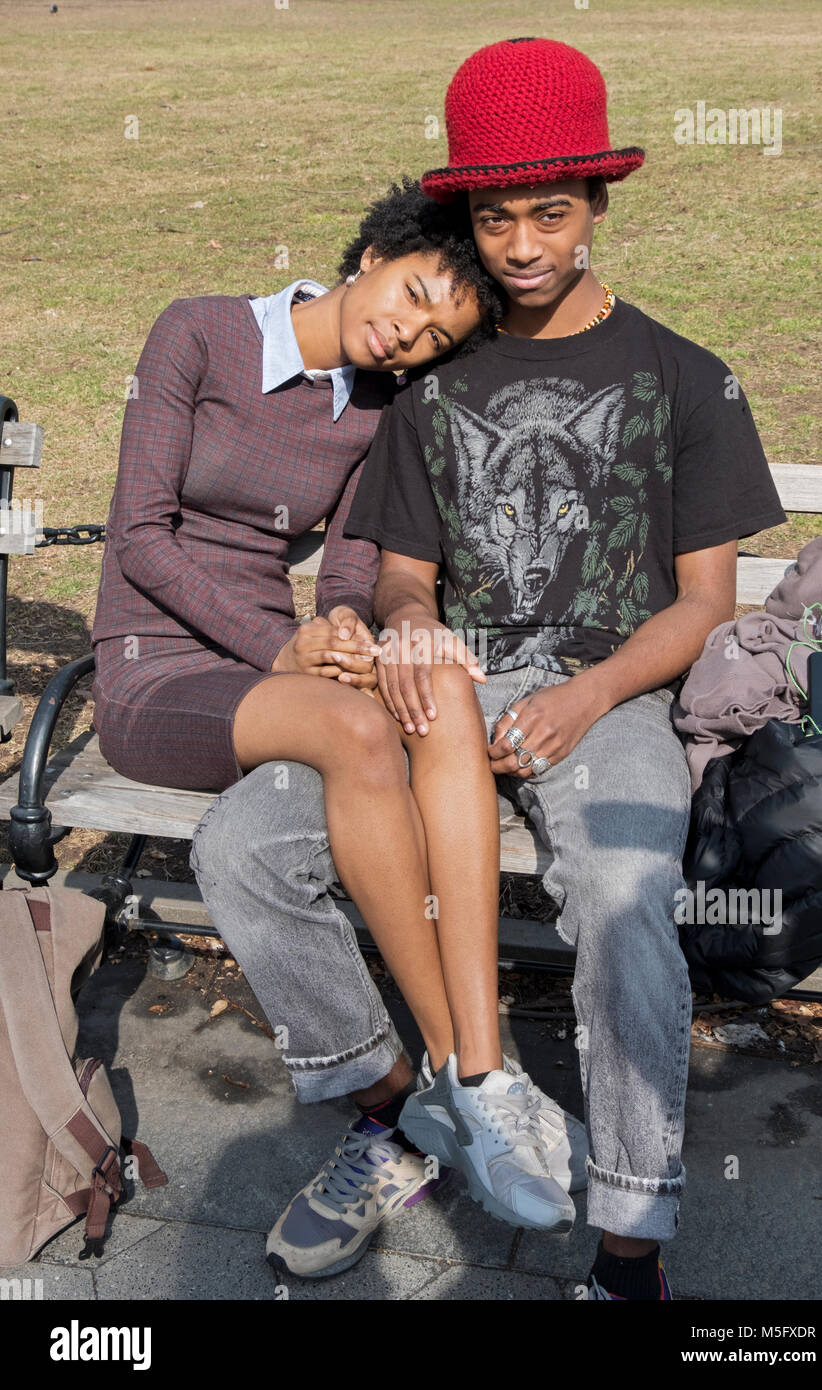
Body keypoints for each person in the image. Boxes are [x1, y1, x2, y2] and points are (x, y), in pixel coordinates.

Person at [341, 38, 789, 1300]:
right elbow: (400, 571)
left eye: (549, 211)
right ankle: (415, 1115)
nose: (523, 243)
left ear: (597, 206)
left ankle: (630, 1242)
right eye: (495, 215)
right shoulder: (436, 378)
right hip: (451, 690)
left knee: (621, 880)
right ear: (467, 218)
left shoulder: (683, 376)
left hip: (612, 695)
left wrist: (586, 695)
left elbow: (705, 603)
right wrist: (412, 628)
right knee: (251, 844)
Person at [93, 175, 579, 1281]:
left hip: (278, 669)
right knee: (361, 738)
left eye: (431, 339)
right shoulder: (200, 331)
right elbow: (140, 538)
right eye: (411, 296)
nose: (405, 336)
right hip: (152, 667)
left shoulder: (377, 406)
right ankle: (460, 1072)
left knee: (397, 707)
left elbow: (353, 563)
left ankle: (443, 1089)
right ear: (370, 255)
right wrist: (283, 654)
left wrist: (349, 629)